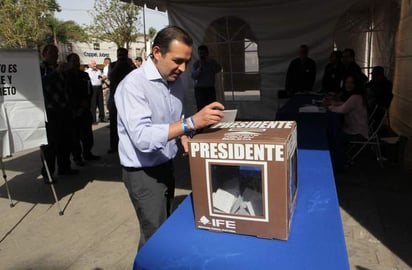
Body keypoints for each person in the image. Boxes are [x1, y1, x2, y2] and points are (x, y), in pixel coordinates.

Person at [115, 26, 224, 249]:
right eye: (177, 60)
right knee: (155, 237)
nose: (182, 68)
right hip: (143, 173)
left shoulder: (175, 82)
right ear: (156, 52)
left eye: (186, 61)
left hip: (165, 165)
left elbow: (174, 117)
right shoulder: (133, 85)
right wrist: (191, 123)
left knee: (164, 226)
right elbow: (143, 137)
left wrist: (182, 136)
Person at [40, 45, 78, 182]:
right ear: (44, 53)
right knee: (50, 145)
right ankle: (48, 174)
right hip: (50, 111)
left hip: (64, 109)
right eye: (52, 53)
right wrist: (56, 72)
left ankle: (64, 167)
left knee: (66, 141)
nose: (55, 55)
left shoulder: (61, 69)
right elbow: (40, 83)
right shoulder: (41, 68)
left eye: (56, 53)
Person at [66, 53, 100, 166]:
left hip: (85, 108)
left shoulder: (84, 75)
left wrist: (86, 102)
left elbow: (89, 89)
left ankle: (87, 153)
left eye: (77, 60)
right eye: (73, 60)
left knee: (87, 134)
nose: (75, 62)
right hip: (73, 110)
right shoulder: (66, 75)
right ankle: (77, 157)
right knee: (75, 136)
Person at [107, 48, 135, 154]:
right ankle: (114, 146)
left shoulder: (130, 65)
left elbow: (136, 75)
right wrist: (118, 64)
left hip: (128, 98)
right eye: (120, 55)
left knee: (129, 123)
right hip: (115, 98)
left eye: (123, 55)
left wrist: (130, 65)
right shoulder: (113, 65)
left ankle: (128, 146)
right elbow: (111, 77)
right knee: (114, 123)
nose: (122, 57)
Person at [328, 75, 369, 141]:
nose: (348, 85)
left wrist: (329, 107)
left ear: (357, 84)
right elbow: (345, 104)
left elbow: (342, 110)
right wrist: (334, 104)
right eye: (347, 82)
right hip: (358, 131)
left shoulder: (355, 97)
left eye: (351, 83)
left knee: (331, 133)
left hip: (357, 134)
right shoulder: (358, 95)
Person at [191, 45, 221, 111]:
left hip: (210, 88)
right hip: (200, 89)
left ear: (207, 53)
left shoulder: (212, 62)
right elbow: (193, 76)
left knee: (212, 107)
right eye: (200, 53)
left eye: (203, 53)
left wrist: (210, 62)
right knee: (201, 108)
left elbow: (218, 69)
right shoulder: (196, 64)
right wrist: (200, 68)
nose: (202, 55)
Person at [85, 59, 105, 124]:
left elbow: (100, 78)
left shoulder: (99, 71)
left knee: (101, 103)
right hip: (92, 88)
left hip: (99, 87)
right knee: (93, 104)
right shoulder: (87, 72)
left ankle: (102, 117)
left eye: (95, 63)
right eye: (93, 64)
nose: (95, 65)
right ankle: (93, 120)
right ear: (89, 65)